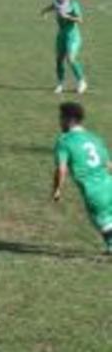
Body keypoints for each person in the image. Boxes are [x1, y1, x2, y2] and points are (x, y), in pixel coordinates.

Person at [52, 102, 112, 254]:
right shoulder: (94, 138)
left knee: (102, 222)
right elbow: (109, 164)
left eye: (61, 118)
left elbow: (61, 169)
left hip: (94, 192)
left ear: (69, 120)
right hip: (109, 184)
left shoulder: (64, 141)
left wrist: (57, 189)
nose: (60, 121)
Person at [41, 0, 87, 94]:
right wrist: (44, 11)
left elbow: (81, 20)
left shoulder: (73, 4)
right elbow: (53, 6)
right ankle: (60, 84)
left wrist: (68, 16)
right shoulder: (57, 2)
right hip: (61, 35)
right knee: (59, 60)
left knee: (70, 59)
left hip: (73, 35)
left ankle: (81, 82)